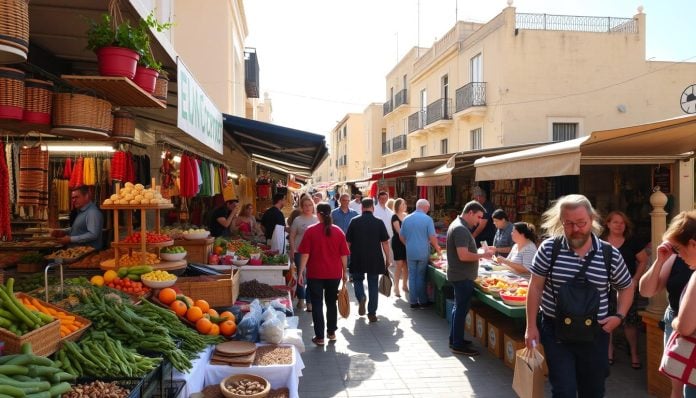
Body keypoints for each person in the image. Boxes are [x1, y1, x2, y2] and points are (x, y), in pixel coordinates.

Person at [525, 194, 634, 398]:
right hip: (556, 331)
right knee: (563, 390)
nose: (575, 229)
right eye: (569, 223)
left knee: (593, 391)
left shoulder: (609, 254)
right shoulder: (549, 249)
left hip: (596, 333)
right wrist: (530, 326)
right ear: (561, 222)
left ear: (592, 219)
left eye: (581, 223)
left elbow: (626, 287)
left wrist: (618, 317)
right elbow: (535, 288)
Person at [640, 210, 696, 398]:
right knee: (680, 386)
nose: (677, 253)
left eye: (678, 247)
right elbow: (646, 291)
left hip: (682, 325)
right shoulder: (674, 258)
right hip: (679, 320)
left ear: (692, 244)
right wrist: (659, 260)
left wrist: (676, 324)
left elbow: (685, 326)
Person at [447, 200, 496, 356]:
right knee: (461, 309)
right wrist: (482, 255)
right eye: (478, 217)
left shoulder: (458, 225)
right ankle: (458, 344)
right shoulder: (461, 229)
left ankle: (455, 339)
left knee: (458, 308)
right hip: (462, 276)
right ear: (470, 213)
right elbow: (463, 255)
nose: (479, 221)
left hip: (460, 275)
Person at [600, 211, 649, 369]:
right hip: (603, 287)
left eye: (622, 223)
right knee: (605, 319)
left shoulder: (632, 241)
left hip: (626, 287)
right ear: (608, 224)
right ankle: (608, 351)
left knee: (630, 322)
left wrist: (635, 279)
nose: (619, 225)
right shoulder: (600, 241)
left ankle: (634, 352)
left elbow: (643, 260)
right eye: (615, 222)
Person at [297, 203, 350, 346]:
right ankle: (331, 332)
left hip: (315, 274)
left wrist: (300, 272)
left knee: (317, 303)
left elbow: (305, 254)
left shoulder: (310, 231)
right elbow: (344, 255)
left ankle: (319, 336)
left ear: (318, 214)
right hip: (334, 274)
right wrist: (345, 272)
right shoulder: (338, 231)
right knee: (331, 302)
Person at [346, 198, 391, 323]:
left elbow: (348, 243)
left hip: (357, 257)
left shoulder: (354, 221)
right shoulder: (378, 222)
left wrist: (344, 258)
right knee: (372, 284)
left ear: (361, 208)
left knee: (357, 280)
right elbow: (385, 242)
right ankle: (372, 313)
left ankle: (361, 297)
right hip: (375, 257)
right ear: (373, 207)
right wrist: (388, 258)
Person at [399, 199, 443, 309]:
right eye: (428, 208)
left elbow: (401, 236)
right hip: (423, 251)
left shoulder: (406, 218)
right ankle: (423, 301)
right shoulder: (427, 219)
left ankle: (413, 302)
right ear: (425, 207)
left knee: (412, 275)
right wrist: (438, 249)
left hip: (410, 251)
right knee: (420, 276)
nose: (428, 210)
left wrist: (408, 244)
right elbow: (432, 237)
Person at [289, 195, 318, 311]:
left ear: (313, 206)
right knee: (301, 275)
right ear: (301, 207)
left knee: (311, 277)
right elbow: (292, 236)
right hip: (299, 251)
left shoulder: (316, 219)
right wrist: (292, 250)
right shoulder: (298, 220)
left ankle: (309, 302)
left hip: (314, 252)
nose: (308, 207)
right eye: (305, 205)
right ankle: (301, 299)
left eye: (310, 205)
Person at [391, 198, 409, 297]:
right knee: (399, 264)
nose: (405, 205)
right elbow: (399, 232)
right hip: (398, 242)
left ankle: (405, 285)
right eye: (403, 204)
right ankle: (396, 287)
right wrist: (406, 243)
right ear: (398, 206)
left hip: (407, 242)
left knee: (406, 265)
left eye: (405, 204)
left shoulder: (407, 216)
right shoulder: (394, 217)